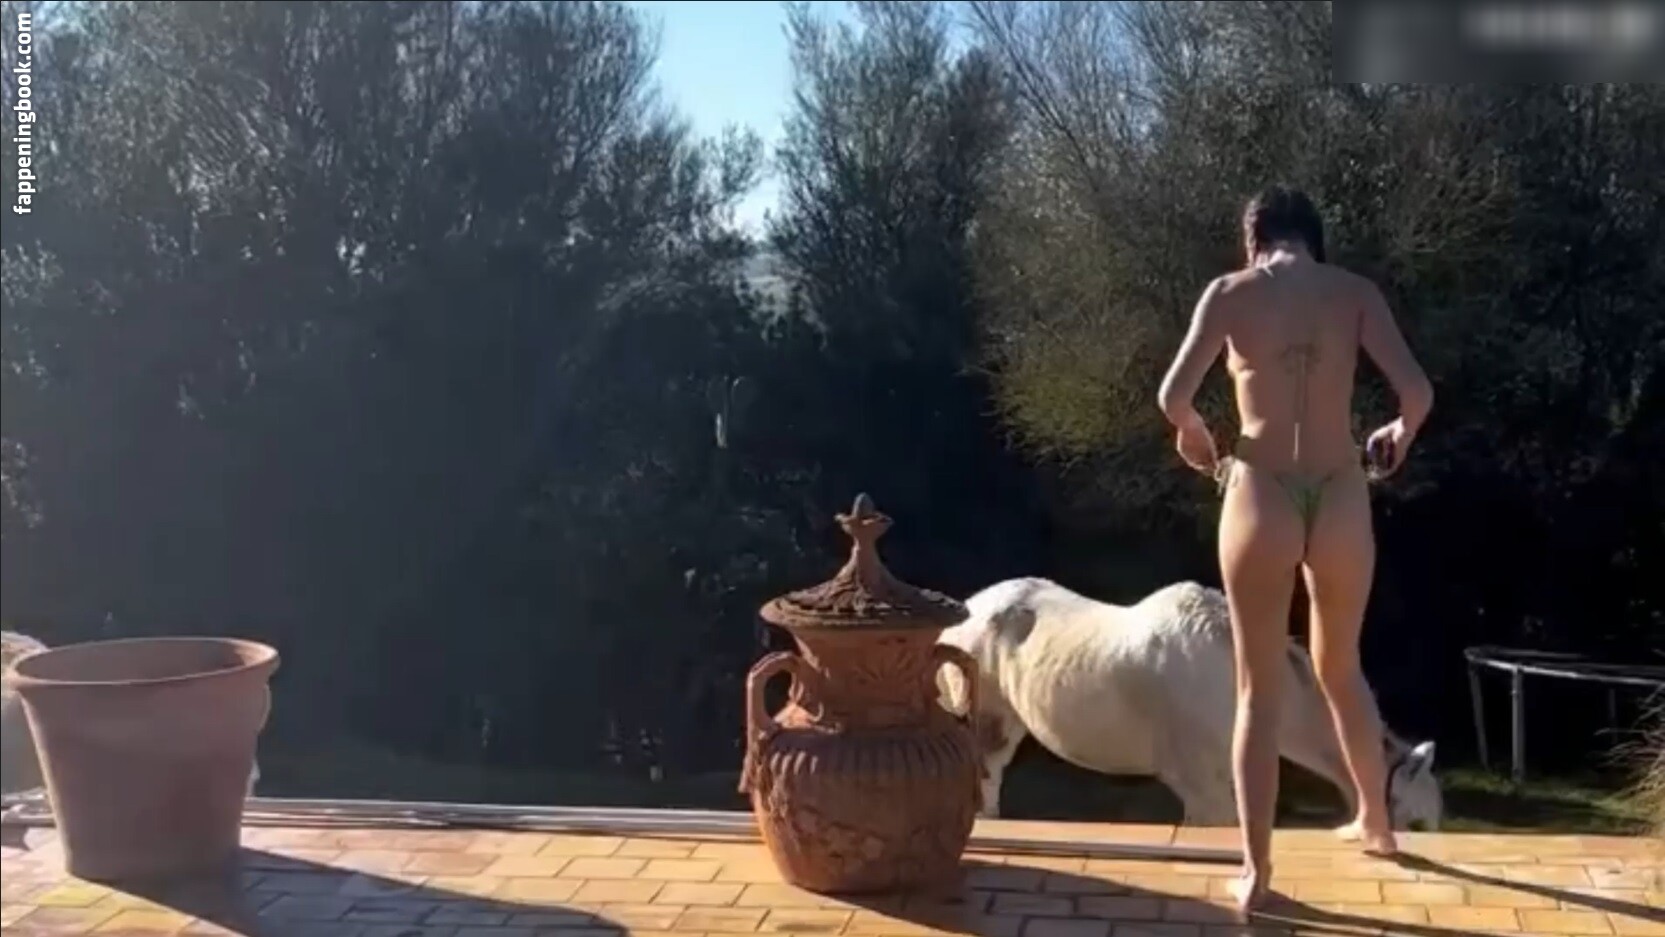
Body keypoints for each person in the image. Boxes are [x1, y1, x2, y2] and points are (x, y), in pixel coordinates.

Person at [1156, 187, 1434, 913]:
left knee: (1258, 688)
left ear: (1253, 241)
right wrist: (1398, 434)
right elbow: (1416, 392)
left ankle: (1257, 872)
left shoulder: (1230, 293)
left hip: (1261, 487)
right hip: (1339, 488)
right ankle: (1377, 823)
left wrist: (1194, 436)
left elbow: (1172, 396)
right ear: (1314, 238)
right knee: (1340, 665)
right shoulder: (1355, 293)